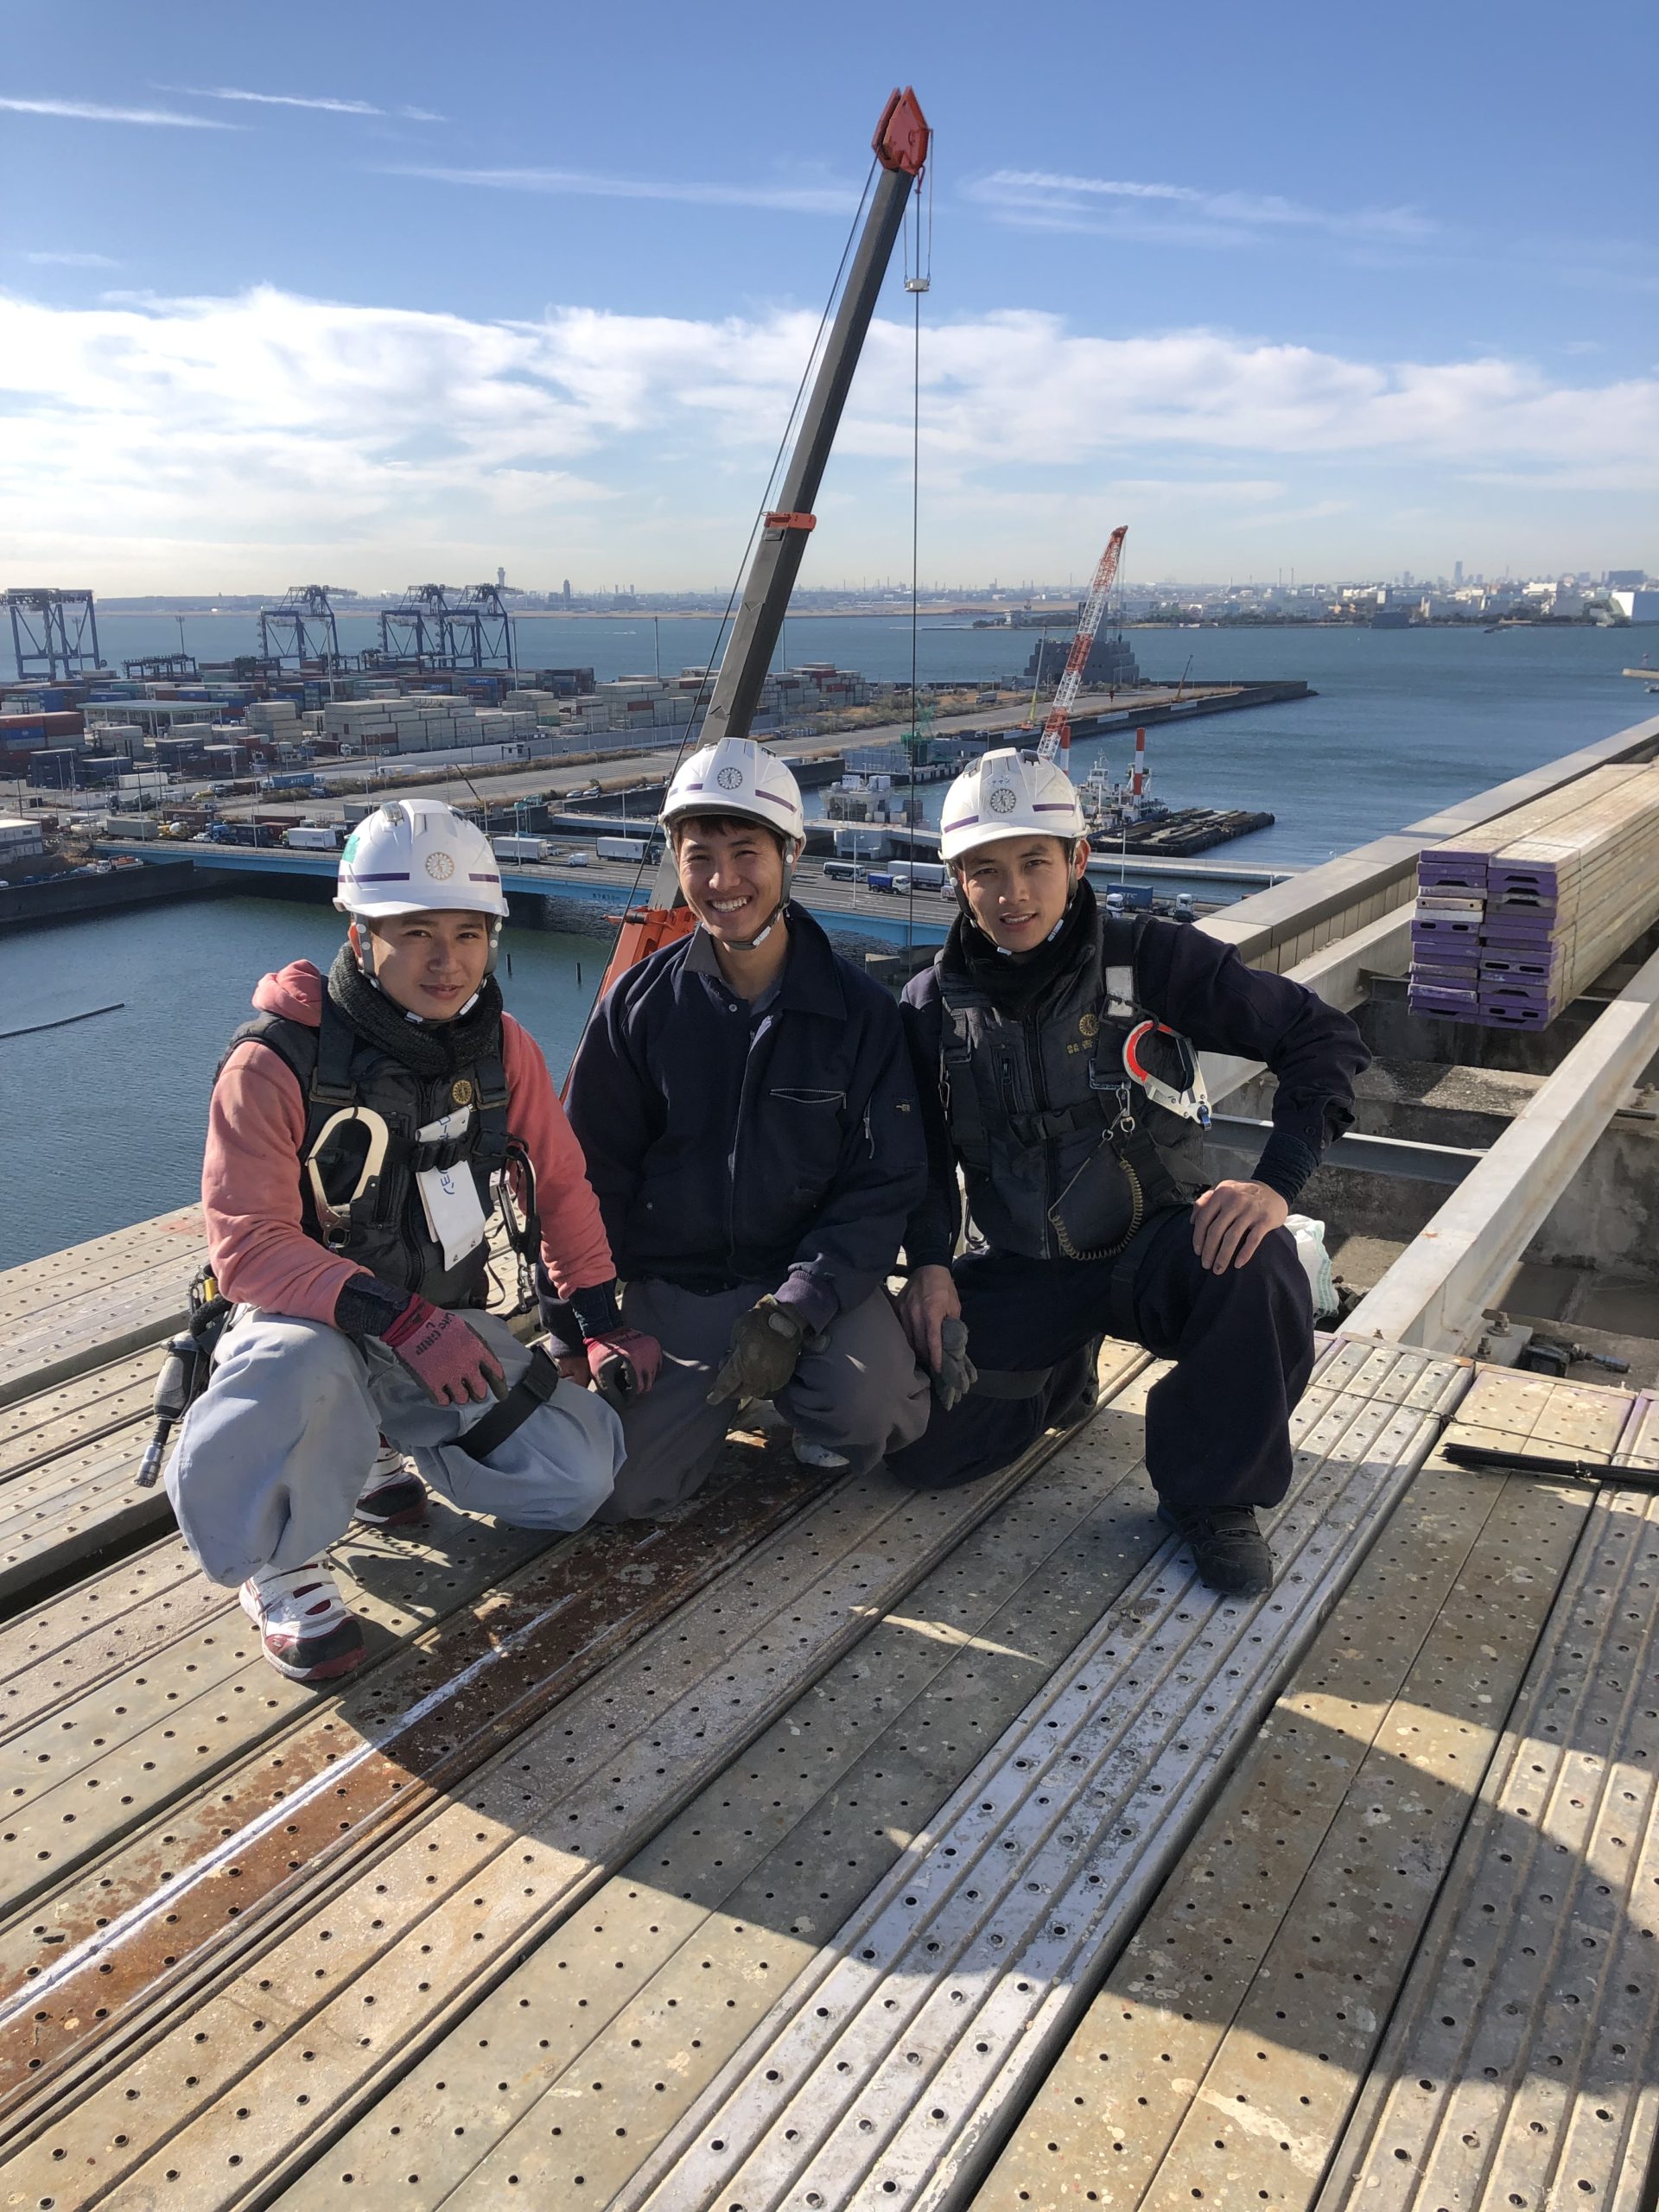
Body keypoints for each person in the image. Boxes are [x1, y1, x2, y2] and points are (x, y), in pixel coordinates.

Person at [168, 799, 659, 1683]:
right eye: (415, 932)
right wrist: (403, 1322)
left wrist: (599, 1319)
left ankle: (378, 1442)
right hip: (316, 1329)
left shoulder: (501, 1049)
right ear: (360, 936)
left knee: (577, 1477)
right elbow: (248, 1248)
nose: (447, 960)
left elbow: (561, 1184)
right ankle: (277, 1560)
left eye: (468, 933)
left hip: (441, 1328)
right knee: (295, 1364)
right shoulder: (275, 1059)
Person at [889, 747, 1370, 1596]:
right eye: (986, 870)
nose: (1013, 893)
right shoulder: (932, 1007)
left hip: (1159, 1244)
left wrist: (1273, 1184)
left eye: (1035, 862)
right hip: (1027, 1265)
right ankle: (1056, 1373)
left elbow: (1318, 1036)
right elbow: (922, 1157)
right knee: (925, 1453)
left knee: (1259, 1264)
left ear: (1077, 858)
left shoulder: (1152, 960)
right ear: (957, 879)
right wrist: (929, 1263)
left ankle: (1211, 1493)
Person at [563, 736, 932, 1518]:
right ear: (675, 859)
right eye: (699, 857)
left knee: (875, 1411)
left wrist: (797, 1308)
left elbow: (883, 1184)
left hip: (814, 1285)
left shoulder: (862, 1014)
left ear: (792, 852)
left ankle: (805, 1395)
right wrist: (578, 1325)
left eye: (746, 853)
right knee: (621, 1492)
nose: (722, 881)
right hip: (683, 1286)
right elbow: (588, 1176)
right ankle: (713, 1396)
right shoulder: (638, 1007)